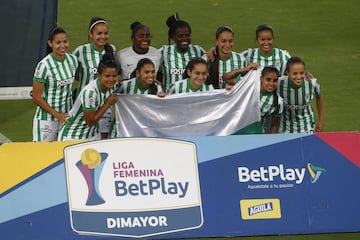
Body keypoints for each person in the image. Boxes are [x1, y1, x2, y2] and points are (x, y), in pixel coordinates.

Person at [72, 16, 116, 139]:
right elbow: (73, 74)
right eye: (99, 33)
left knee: (102, 140)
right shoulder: (80, 51)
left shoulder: (111, 50)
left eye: (106, 33)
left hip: (104, 104)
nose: (103, 37)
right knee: (81, 137)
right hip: (84, 105)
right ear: (91, 34)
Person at [32, 27, 78, 142]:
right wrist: (58, 115)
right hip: (46, 121)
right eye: (58, 42)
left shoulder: (73, 60)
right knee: (41, 156)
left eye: (65, 41)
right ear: (50, 43)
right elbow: (36, 97)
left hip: (66, 119)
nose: (62, 45)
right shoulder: (44, 65)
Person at [58, 54, 119, 141]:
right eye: (107, 76)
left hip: (93, 135)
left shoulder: (113, 85)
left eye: (114, 76)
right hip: (73, 135)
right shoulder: (90, 92)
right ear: (99, 75)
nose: (111, 79)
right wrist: (108, 103)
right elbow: (90, 122)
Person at [160, 13, 205, 91]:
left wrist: (213, 51)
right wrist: (158, 87)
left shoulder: (198, 51)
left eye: (187, 35)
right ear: (173, 37)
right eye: (180, 36)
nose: (184, 39)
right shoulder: (165, 51)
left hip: (191, 97)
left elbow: (212, 60)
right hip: (170, 98)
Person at [277, 57, 324, 133]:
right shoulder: (279, 83)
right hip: (285, 129)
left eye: (301, 73)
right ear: (287, 73)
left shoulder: (311, 83)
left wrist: (321, 120)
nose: (299, 77)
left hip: (307, 127)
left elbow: (319, 96)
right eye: (295, 74)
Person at [259, 66, 284, 133]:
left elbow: (275, 125)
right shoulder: (249, 91)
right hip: (239, 134)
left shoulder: (278, 102)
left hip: (258, 136)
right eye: (268, 79)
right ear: (261, 78)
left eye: (275, 80)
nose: (271, 83)